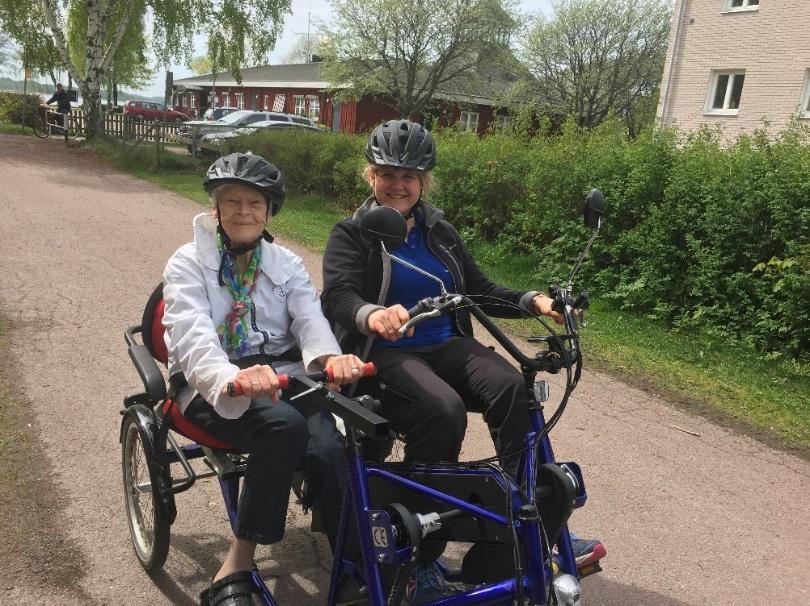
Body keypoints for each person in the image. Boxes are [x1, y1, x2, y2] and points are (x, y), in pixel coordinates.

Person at [321, 120, 605, 603]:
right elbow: (339, 296)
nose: (398, 184)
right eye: (388, 173)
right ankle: (420, 558)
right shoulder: (354, 232)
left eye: (409, 175)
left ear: (424, 181)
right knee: (441, 409)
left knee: (513, 388)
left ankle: (532, 520)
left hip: (445, 343)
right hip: (385, 353)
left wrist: (534, 300)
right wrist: (372, 316)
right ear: (371, 176)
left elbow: (476, 290)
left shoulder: (440, 230)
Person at [162, 152, 364, 606]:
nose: (243, 212)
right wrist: (230, 377)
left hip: (281, 374)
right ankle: (237, 561)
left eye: (255, 203)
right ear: (215, 209)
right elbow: (192, 337)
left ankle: (353, 559)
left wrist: (330, 359)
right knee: (283, 426)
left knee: (334, 444)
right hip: (209, 383)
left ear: (269, 211)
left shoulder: (285, 263)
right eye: (231, 201)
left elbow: (310, 319)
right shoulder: (187, 262)